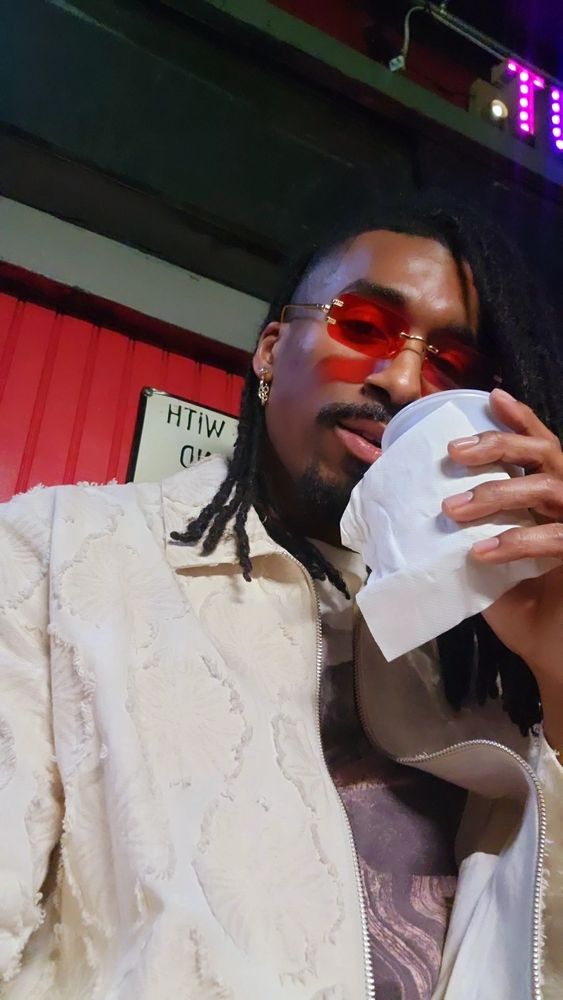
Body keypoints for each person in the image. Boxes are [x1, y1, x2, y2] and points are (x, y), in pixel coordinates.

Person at [1, 199, 563, 1000]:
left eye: (449, 364)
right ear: (269, 351)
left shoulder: (478, 653)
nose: (403, 381)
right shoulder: (59, 553)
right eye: (363, 325)